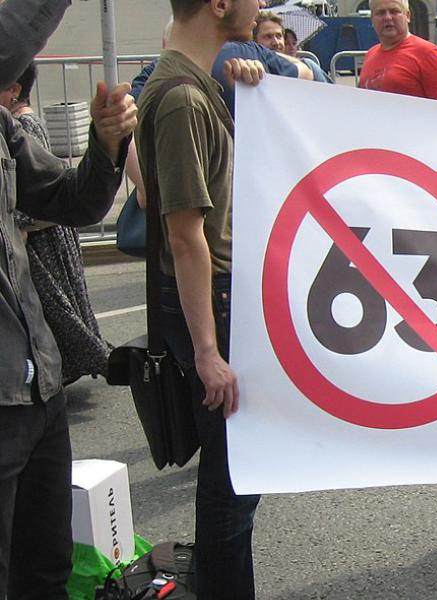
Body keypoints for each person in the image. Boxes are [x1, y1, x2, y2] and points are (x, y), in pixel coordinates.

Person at [134, 0, 270, 591]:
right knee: (232, 478)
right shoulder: (183, 98)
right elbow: (186, 236)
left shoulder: (194, 84)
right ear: (219, 4)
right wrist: (208, 351)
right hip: (211, 299)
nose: (261, 4)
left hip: (218, 296)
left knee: (236, 472)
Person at [0, 4, 133, 597]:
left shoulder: (4, 130)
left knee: (46, 568)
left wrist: (107, 145)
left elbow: (71, 202)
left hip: (39, 387)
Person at [2, 65, 113, 385]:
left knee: (54, 307)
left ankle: (66, 364)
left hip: (43, 237)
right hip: (42, 232)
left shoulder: (21, 125)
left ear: (15, 90)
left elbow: (39, 188)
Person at [359, 0, 437, 101]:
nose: (387, 17)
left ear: (408, 16)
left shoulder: (430, 54)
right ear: (372, 19)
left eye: (394, 11)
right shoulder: (370, 54)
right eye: (381, 13)